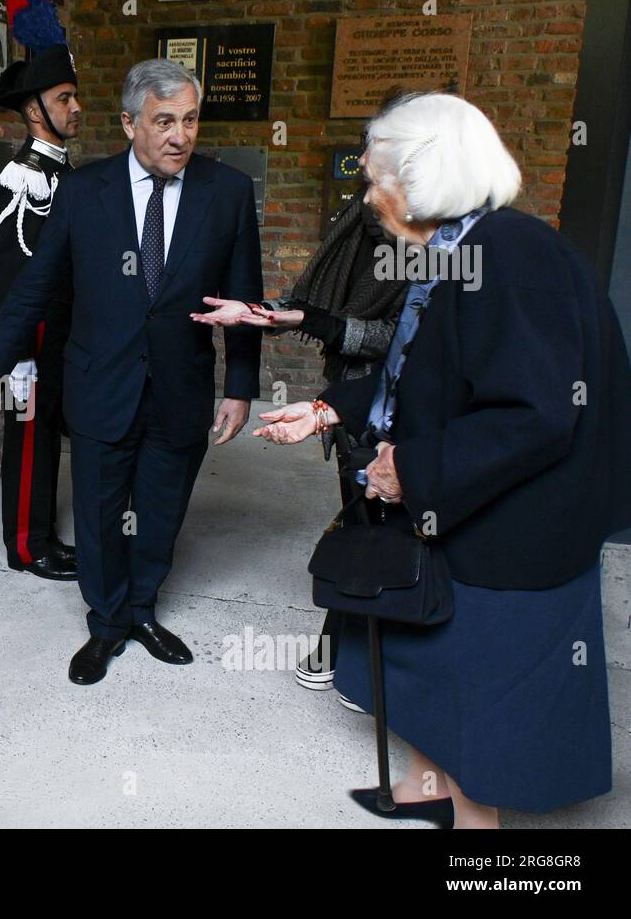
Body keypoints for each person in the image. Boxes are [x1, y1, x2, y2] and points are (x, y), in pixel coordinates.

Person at [255, 92, 631, 828]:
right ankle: (429, 790)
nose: (367, 199)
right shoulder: (462, 250)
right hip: (482, 516)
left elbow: (533, 416)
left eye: (376, 180)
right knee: (428, 669)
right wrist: (333, 406)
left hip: (515, 535)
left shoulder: (510, 258)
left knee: (478, 699)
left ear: (423, 176)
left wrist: (413, 470)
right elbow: (427, 377)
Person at [0, 58, 263, 685]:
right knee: (99, 516)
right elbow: (36, 286)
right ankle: (105, 625)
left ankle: (143, 610)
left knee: (159, 511)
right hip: (100, 385)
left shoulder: (227, 193)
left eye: (189, 120)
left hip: (180, 387)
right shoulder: (82, 193)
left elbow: (246, 299)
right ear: (129, 124)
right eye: (163, 121)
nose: (180, 135)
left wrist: (239, 389)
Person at [240, 196, 407, 695]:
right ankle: (346, 639)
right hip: (350, 400)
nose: (372, 185)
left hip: (403, 404)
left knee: (402, 533)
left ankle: (378, 654)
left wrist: (322, 325)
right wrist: (259, 311)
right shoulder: (356, 223)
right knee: (361, 524)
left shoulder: (439, 246)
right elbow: (315, 308)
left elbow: (404, 338)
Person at [0, 0, 80, 582]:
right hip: (30, 338)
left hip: (56, 332)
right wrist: (14, 352)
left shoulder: (59, 171)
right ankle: (25, 545)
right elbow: (11, 266)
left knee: (47, 440)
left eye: (74, 97)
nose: (75, 108)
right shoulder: (26, 177)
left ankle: (42, 533)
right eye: (64, 99)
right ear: (35, 110)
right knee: (29, 440)